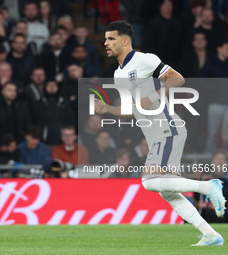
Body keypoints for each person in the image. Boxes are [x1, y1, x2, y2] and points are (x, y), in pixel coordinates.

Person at [95, 20, 225, 246]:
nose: (105, 43)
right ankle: (211, 234)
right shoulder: (118, 75)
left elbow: (177, 78)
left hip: (168, 128)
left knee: (150, 181)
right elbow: (134, 109)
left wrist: (153, 97)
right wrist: (109, 109)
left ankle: (209, 186)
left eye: (111, 38)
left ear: (125, 40)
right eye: (105, 39)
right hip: (156, 135)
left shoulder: (145, 59)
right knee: (167, 190)